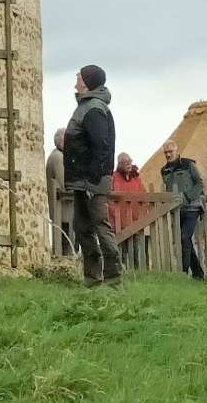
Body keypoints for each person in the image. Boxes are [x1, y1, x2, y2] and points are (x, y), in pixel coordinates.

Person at [62, 64, 121, 286]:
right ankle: (92, 279)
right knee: (83, 228)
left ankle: (113, 279)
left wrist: (92, 180)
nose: (75, 80)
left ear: (86, 82)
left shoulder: (93, 108)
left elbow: (101, 146)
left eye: (78, 76)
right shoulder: (87, 106)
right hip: (83, 179)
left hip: (91, 179)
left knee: (99, 225)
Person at [161, 140, 206, 280]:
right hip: (177, 209)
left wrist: (190, 197)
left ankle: (184, 272)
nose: (168, 155)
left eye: (170, 152)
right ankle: (198, 273)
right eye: (165, 153)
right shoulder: (164, 170)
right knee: (185, 241)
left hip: (192, 207)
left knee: (184, 238)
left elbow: (199, 182)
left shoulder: (188, 164)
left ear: (176, 151)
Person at [45, 128, 70, 255]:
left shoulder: (56, 156)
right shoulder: (58, 158)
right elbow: (64, 183)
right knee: (66, 243)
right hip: (64, 208)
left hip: (60, 208)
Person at [110, 152, 145, 236]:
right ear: (119, 164)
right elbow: (109, 200)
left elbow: (145, 198)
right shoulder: (113, 177)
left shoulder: (136, 179)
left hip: (136, 225)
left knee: (136, 248)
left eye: (130, 161)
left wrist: (142, 215)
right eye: (125, 161)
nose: (128, 163)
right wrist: (118, 217)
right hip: (118, 227)